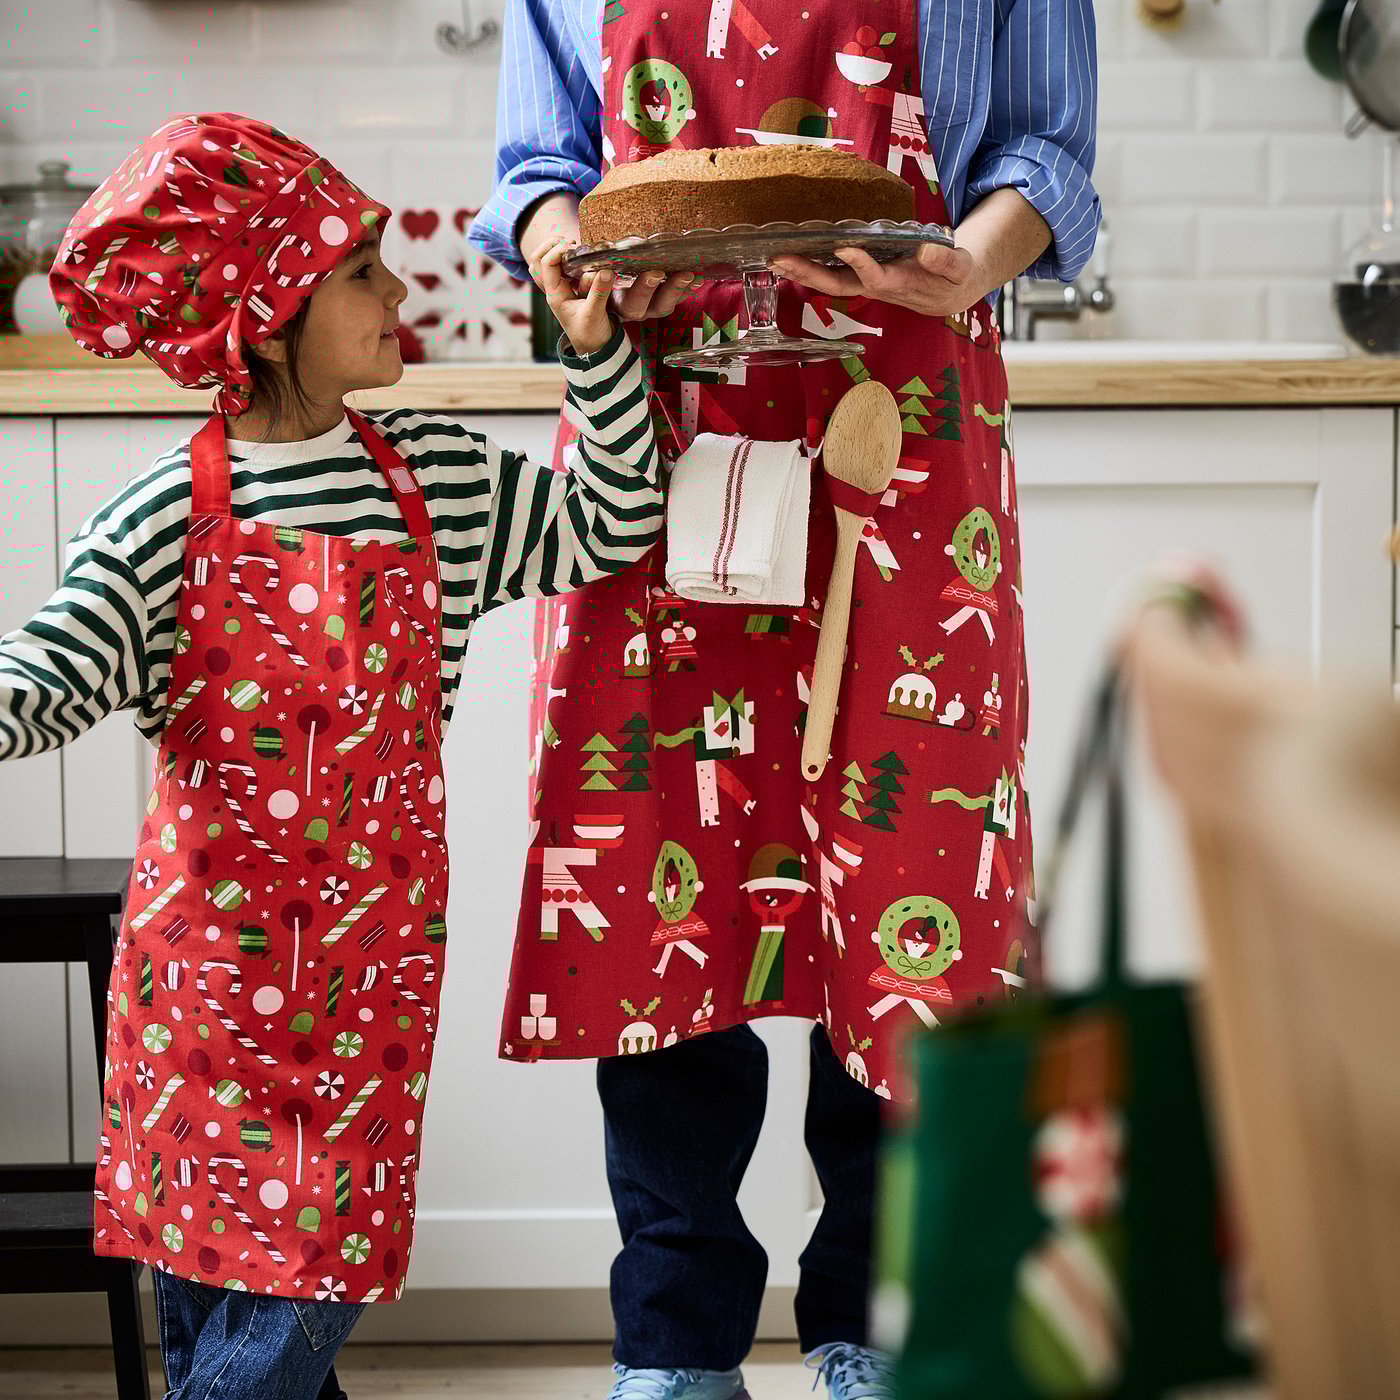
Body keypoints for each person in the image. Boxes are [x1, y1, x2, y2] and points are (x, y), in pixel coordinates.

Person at [469, 3, 1100, 1398]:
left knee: (903, 883)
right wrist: (573, 263)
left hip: (908, 410)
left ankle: (869, 1324)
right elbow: (534, 170)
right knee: (654, 876)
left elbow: (1048, 153)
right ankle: (676, 1342)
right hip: (657, 424)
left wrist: (964, 268)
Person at [0, 112, 661, 1400]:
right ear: (266, 308)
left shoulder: (439, 484)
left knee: (317, 1273)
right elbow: (42, 685)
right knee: (211, 1292)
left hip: (367, 987)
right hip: (202, 992)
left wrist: (601, 358)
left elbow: (610, 523)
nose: (399, 288)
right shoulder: (156, 524)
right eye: (361, 269)